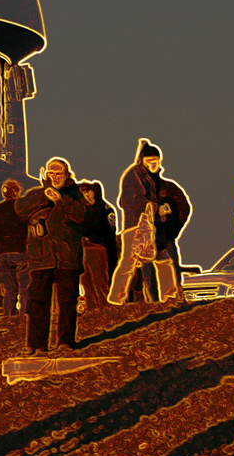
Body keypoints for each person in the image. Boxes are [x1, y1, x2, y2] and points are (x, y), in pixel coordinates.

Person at [16, 157, 88, 355]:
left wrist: (60, 201)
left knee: (67, 301)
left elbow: (81, 216)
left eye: (58, 174)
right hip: (41, 256)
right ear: (46, 174)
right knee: (38, 302)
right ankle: (36, 344)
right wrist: (44, 198)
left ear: (66, 175)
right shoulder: (36, 194)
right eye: (51, 173)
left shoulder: (75, 195)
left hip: (67, 256)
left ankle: (65, 342)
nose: (55, 177)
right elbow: (20, 211)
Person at [108, 140, 190, 304]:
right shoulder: (133, 176)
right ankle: (116, 299)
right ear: (142, 160)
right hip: (136, 227)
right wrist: (156, 207)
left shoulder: (155, 179)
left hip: (156, 227)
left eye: (156, 161)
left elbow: (182, 207)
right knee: (128, 264)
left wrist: (169, 225)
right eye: (150, 161)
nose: (153, 164)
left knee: (164, 260)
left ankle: (169, 296)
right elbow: (130, 200)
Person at [0, 178, 30, 319]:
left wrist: (0, 245)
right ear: (17, 191)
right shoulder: (21, 208)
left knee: (9, 289)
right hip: (20, 252)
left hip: (2, 254)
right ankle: (24, 317)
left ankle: (9, 317)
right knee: (24, 287)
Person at [77, 181, 116, 311]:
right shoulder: (83, 210)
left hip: (100, 249)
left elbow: (108, 230)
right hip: (83, 251)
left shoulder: (105, 209)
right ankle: (92, 309)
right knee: (86, 283)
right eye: (84, 193)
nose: (87, 195)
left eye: (88, 191)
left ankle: (104, 308)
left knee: (99, 282)